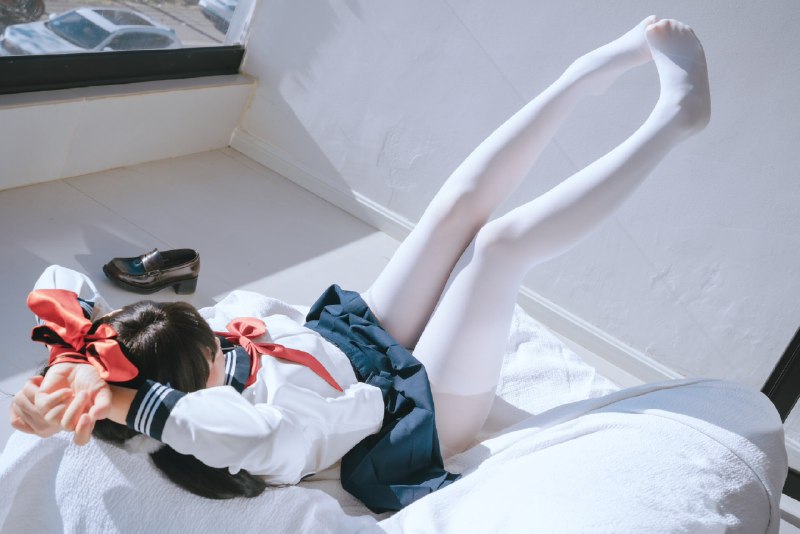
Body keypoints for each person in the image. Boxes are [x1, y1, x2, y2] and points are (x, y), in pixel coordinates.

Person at [9, 17, 710, 513]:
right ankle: (674, 122)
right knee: (497, 249)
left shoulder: (175, 364)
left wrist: (71, 362)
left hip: (354, 343)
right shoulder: (252, 435)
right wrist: (129, 403)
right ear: (186, 396)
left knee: (452, 209)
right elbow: (231, 429)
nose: (221, 340)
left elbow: (60, 285)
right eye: (213, 353)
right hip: (412, 413)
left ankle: (581, 78)